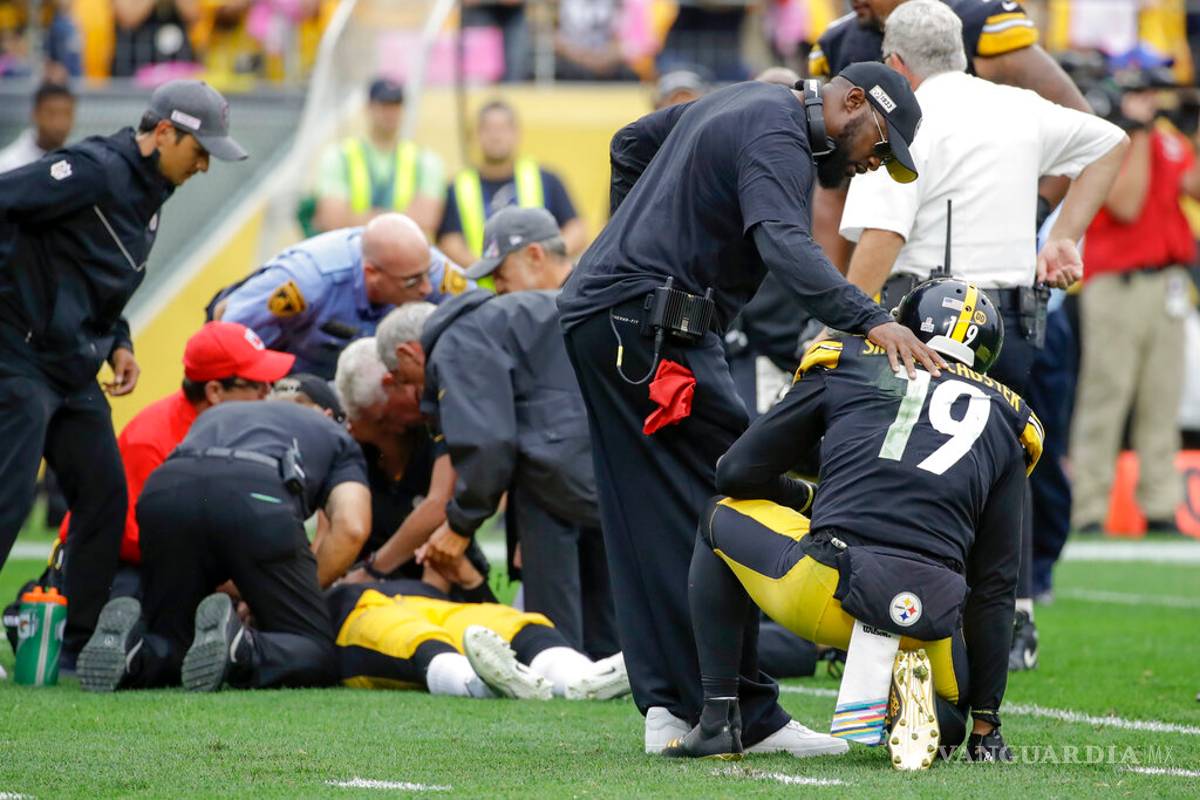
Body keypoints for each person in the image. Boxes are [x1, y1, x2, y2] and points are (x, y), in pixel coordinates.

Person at [558, 62, 942, 756]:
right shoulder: (778, 130)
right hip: (652, 327)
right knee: (734, 492)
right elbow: (784, 244)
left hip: (614, 319)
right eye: (879, 146)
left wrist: (632, 242)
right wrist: (871, 318)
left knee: (655, 515)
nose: (871, 164)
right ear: (853, 101)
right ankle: (745, 714)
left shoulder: (745, 100)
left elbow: (629, 144)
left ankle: (672, 706)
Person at [835, 0, 1128, 670]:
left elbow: (882, 236)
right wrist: (1063, 236)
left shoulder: (906, 113)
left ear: (895, 62)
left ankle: (899, 614)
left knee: (908, 468)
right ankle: (1010, 620)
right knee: (1002, 470)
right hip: (1011, 319)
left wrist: (841, 325)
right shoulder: (1015, 106)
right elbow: (1112, 142)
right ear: (961, 53)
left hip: (925, 317)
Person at [668, 277, 1044, 763]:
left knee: (718, 515)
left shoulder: (849, 361)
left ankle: (719, 719)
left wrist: (807, 497)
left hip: (831, 588)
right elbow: (995, 584)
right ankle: (934, 714)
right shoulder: (1010, 420)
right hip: (926, 612)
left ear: (905, 324)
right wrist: (987, 726)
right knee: (950, 708)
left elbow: (736, 471)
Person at [0, 79, 246, 660]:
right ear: (163, 133)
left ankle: (76, 645)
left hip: (70, 369)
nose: (205, 165)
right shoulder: (93, 171)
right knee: (8, 494)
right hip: (18, 355)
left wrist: (120, 343)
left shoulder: (150, 195)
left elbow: (99, 280)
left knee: (106, 495)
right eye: (200, 150)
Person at [377, 289, 618, 660]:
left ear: (409, 352)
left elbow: (488, 444)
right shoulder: (509, 314)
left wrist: (461, 524)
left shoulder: (457, 341)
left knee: (558, 634)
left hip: (551, 473)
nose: (410, 389)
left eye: (400, 376)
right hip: (605, 453)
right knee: (607, 612)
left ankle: (561, 673)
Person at [78, 390, 370, 693]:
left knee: (175, 639)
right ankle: (243, 648)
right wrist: (298, 592)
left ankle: (134, 651)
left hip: (165, 491)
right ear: (331, 416)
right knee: (315, 650)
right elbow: (352, 528)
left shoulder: (221, 413)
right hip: (255, 494)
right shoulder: (338, 437)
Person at [807, 0, 1090, 272]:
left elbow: (1083, 130)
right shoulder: (841, 41)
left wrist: (1036, 211)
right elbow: (833, 183)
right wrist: (831, 289)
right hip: (887, 251)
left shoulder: (977, 25)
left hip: (979, 255)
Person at [55, 321, 294, 603]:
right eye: (258, 385)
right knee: (145, 605)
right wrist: (227, 579)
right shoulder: (152, 440)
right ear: (215, 392)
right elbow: (133, 539)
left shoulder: (234, 429)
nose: (268, 394)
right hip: (116, 566)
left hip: (176, 560)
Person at [1069, 81, 1200, 536]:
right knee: (1107, 396)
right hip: (1116, 285)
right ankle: (1088, 507)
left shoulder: (1169, 140)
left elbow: (1193, 187)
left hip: (1168, 282)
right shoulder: (1110, 140)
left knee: (1162, 399)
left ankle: (1161, 504)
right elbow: (1126, 204)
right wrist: (1138, 132)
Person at [210, 213, 471, 379]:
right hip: (287, 382)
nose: (426, 289)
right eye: (412, 281)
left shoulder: (422, 267)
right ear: (372, 274)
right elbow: (225, 335)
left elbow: (480, 316)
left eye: (428, 274)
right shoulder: (307, 282)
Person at [329, 579, 630, 701]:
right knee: (412, 637)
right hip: (356, 605)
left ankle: (584, 677)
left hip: (434, 596)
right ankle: (479, 683)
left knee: (511, 622)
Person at [438, 100, 586, 266]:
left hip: (539, 279)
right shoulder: (458, 187)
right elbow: (449, 242)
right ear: (476, 135)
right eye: (488, 129)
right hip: (483, 281)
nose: (496, 136)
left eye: (503, 128)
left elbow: (576, 230)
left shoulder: (546, 180)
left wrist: (544, 260)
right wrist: (491, 269)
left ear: (516, 133)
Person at [312, 77, 447, 237]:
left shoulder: (425, 160)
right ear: (368, 107)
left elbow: (426, 219)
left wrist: (357, 217)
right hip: (354, 250)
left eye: (396, 105)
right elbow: (333, 219)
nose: (390, 113)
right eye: (384, 105)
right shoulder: (339, 156)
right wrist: (403, 218)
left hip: (403, 251)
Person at [0, 82, 76, 174]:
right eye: (51, 114)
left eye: (67, 114)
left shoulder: (78, 163)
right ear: (35, 114)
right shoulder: (8, 166)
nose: (60, 123)